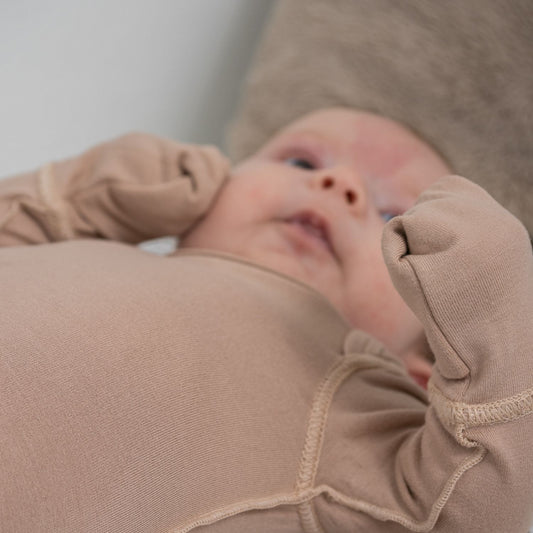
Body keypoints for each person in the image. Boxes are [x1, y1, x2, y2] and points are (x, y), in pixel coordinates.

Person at [0, 108, 531, 532]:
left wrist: (493, 326)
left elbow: (461, 508)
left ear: (423, 369)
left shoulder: (357, 420)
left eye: (395, 219)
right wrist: (71, 201)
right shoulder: (97, 247)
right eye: (301, 163)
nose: (339, 182)